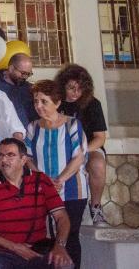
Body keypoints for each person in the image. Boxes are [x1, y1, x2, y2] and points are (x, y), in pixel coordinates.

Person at [0, 138, 74, 269]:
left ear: (23, 159)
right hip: (3, 251)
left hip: (38, 248)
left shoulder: (41, 180)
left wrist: (60, 246)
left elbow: (62, 217)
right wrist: (15, 247)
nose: (4, 160)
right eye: (0, 155)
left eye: (10, 155)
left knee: (64, 264)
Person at [25, 80, 88, 268]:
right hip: (44, 190)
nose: (38, 106)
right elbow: (27, 158)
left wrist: (60, 180)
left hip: (72, 190)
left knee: (70, 235)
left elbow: (79, 156)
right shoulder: (32, 127)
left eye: (44, 101)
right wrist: (45, 181)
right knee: (49, 238)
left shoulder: (72, 124)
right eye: (36, 101)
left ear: (57, 102)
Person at [55, 64, 109, 226]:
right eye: (71, 88)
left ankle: (96, 206)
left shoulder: (92, 104)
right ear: (62, 85)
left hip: (88, 148)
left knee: (97, 163)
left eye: (80, 89)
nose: (76, 93)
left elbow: (100, 138)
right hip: (60, 147)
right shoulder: (54, 102)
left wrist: (82, 151)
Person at [0, 52, 37, 128]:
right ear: (11, 68)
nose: (25, 77)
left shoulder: (29, 88)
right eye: (23, 73)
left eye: (28, 74)